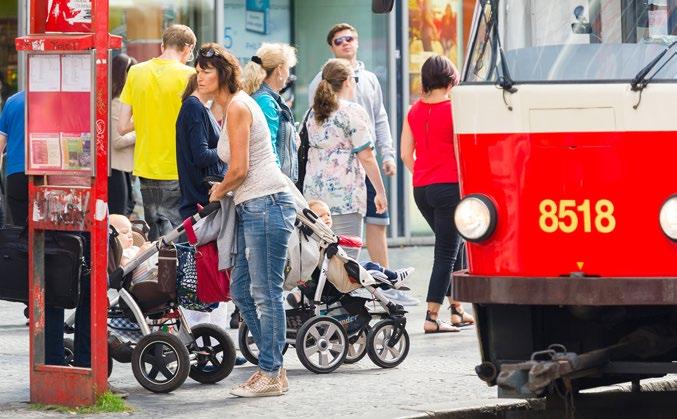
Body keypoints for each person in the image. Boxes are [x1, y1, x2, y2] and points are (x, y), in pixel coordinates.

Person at [205, 43, 295, 397]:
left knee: (265, 291)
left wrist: (219, 190)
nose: (199, 77)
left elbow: (240, 169)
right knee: (241, 289)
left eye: (205, 72)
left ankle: (271, 372)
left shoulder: (240, 106)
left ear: (223, 75)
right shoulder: (230, 108)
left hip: (267, 202)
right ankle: (274, 367)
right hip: (252, 205)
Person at [307, 23, 396, 268]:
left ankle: (379, 282)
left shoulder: (369, 80)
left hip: (320, 183)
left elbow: (381, 117)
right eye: (339, 40)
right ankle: (338, 301)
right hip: (348, 181)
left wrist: (387, 153)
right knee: (345, 253)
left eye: (350, 38)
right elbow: (366, 155)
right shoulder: (344, 105)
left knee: (329, 246)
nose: (346, 43)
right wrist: (381, 190)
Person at [400, 55, 475, 333]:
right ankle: (432, 317)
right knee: (446, 252)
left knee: (456, 245)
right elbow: (460, 152)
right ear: (450, 80)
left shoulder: (413, 111)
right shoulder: (455, 109)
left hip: (422, 190)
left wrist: (423, 174)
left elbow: (406, 154)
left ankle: (457, 309)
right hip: (450, 187)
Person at [118, 24, 196, 240]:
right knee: (179, 236)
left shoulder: (136, 72)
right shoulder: (191, 75)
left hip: (146, 167)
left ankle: (159, 274)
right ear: (188, 49)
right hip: (177, 167)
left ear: (163, 45)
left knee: (156, 239)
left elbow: (122, 126)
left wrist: (146, 113)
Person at [242, 43, 299, 182]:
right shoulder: (266, 102)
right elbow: (268, 149)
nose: (288, 75)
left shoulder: (264, 98)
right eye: (288, 69)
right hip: (274, 185)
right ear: (280, 69)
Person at [176, 71, 227, 220]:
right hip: (200, 200)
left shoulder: (198, 107)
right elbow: (201, 156)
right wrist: (226, 149)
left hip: (203, 198)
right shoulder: (194, 107)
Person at [109, 53, 137, 216]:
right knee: (119, 214)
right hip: (116, 168)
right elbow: (117, 141)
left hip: (124, 168)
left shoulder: (122, 102)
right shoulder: (116, 103)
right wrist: (140, 133)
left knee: (126, 209)